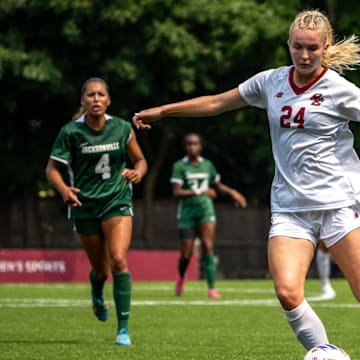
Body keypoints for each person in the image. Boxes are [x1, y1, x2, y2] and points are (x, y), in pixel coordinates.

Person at [133, 9, 360, 350]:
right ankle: (325, 353)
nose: (304, 55)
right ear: (288, 44)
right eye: (297, 46)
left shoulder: (340, 90)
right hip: (289, 209)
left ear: (326, 47)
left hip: (338, 206)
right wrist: (164, 111)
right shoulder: (271, 82)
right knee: (286, 291)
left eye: (312, 48)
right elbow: (215, 103)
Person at [45, 77, 147, 347]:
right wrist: (64, 190)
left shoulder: (122, 127)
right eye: (90, 95)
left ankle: (123, 330)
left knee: (118, 260)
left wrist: (137, 173)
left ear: (108, 100)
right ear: (83, 101)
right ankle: (97, 289)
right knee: (100, 270)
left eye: (101, 94)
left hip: (116, 199)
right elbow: (51, 169)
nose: (96, 99)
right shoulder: (70, 132)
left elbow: (140, 159)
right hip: (84, 205)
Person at [171, 133, 247, 298]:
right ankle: (181, 278)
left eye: (195, 144)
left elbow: (217, 185)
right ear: (186, 147)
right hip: (186, 213)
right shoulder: (179, 166)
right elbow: (176, 192)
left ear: (201, 146)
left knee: (208, 246)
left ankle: (211, 288)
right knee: (187, 254)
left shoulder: (208, 165)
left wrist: (233, 192)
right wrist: (199, 191)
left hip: (206, 210)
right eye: (189, 144)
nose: (192, 147)